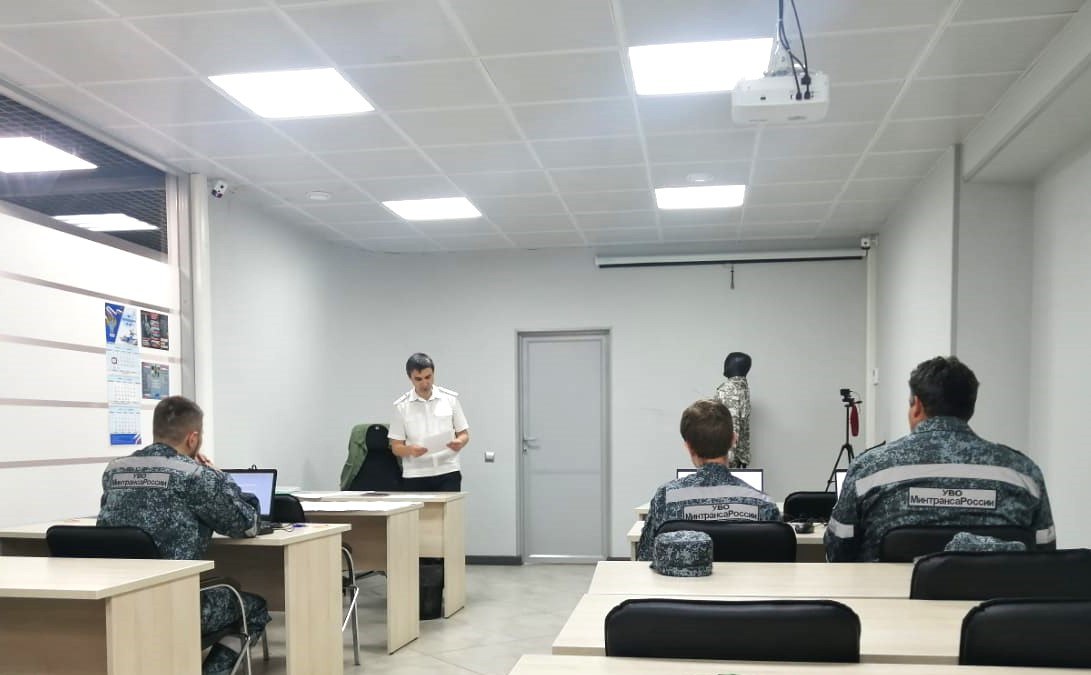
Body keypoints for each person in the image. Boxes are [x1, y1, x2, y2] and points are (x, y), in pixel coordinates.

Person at [97, 396, 270, 675]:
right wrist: (218, 476)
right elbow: (246, 524)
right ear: (193, 438)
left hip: (116, 604)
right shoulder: (196, 476)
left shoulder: (114, 470)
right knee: (255, 608)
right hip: (175, 605)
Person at [825, 356, 1056, 562]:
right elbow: (1045, 556)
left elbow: (838, 551)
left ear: (917, 406)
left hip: (893, 598)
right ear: (970, 408)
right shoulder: (1024, 474)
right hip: (995, 596)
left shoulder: (869, 469)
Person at [636, 399, 781, 561]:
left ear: (689, 447)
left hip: (684, 578)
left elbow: (645, 560)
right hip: (745, 579)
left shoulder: (665, 498)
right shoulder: (764, 505)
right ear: (733, 439)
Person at [388, 353, 470, 491]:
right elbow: (396, 447)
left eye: (428, 377)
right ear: (410, 378)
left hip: (448, 470)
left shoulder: (450, 400)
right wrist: (410, 450)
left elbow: (464, 434)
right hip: (416, 474)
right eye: (418, 379)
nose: (424, 383)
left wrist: (459, 442)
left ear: (433, 373)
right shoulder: (402, 406)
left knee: (450, 506)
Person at [716, 351, 752, 468]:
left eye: (727, 362)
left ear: (733, 366)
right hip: (738, 458)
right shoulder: (743, 389)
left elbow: (731, 424)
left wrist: (726, 459)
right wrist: (744, 456)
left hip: (725, 459)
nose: (725, 365)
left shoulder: (728, 390)